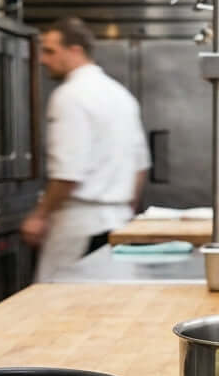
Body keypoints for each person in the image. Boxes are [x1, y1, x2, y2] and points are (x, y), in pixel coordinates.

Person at [21, 17, 150, 281]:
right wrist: (124, 206)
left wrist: (40, 215)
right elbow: (140, 168)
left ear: (75, 51)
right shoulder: (121, 95)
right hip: (118, 223)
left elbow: (67, 173)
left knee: (58, 309)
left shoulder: (69, 96)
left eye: (49, 51)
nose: (43, 60)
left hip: (78, 226)